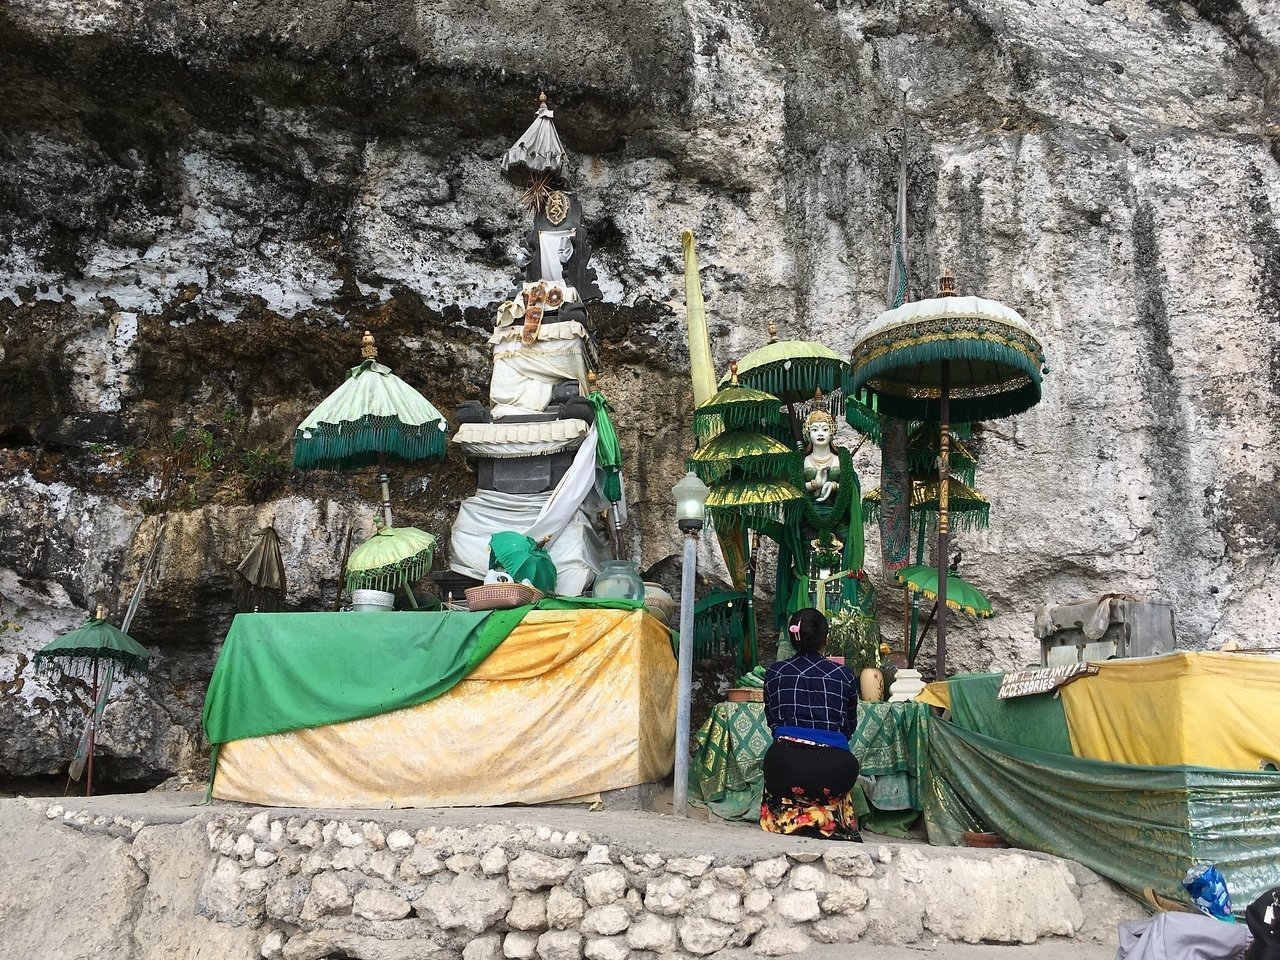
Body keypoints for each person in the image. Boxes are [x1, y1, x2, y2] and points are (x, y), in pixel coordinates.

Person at [760, 607, 862, 841]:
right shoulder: (844, 675)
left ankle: (785, 818)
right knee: (843, 762)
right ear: (825, 639)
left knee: (776, 757)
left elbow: (773, 721)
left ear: (792, 637)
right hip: (834, 772)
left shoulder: (775, 673)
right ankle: (830, 819)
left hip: (784, 769)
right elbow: (849, 726)